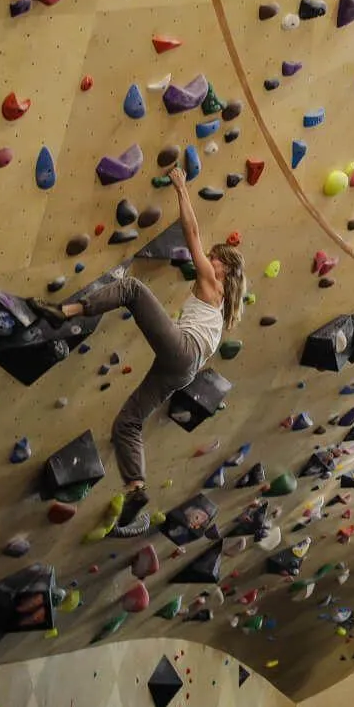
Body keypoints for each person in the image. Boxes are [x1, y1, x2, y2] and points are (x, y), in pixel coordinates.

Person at [33, 166, 244, 535]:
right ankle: (136, 489)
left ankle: (62, 314)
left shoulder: (213, 281)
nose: (205, 260)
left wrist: (181, 188)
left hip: (182, 352)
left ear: (223, 267)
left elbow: (191, 232)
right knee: (127, 423)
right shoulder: (224, 308)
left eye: (213, 257)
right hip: (183, 370)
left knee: (131, 289)